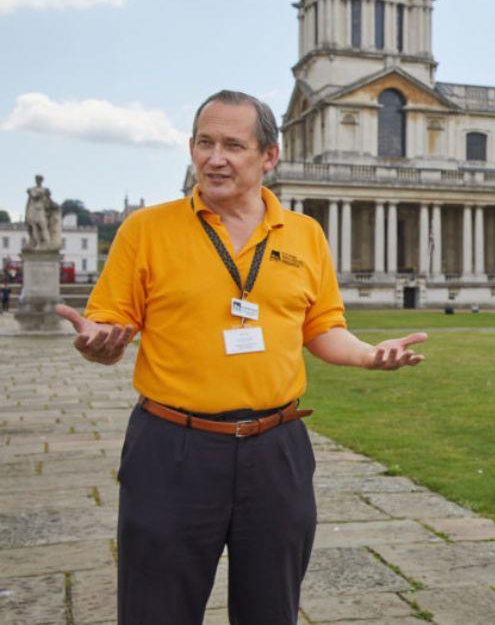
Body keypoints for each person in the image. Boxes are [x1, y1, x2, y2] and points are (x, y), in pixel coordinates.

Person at [55, 90, 429, 623]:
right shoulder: (146, 230)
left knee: (271, 610)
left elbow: (322, 329)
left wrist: (371, 356)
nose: (215, 157)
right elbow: (112, 326)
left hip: (276, 450)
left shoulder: (305, 234)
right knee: (154, 610)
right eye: (204, 143)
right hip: (173, 448)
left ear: (268, 157)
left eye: (233, 144)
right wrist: (100, 343)